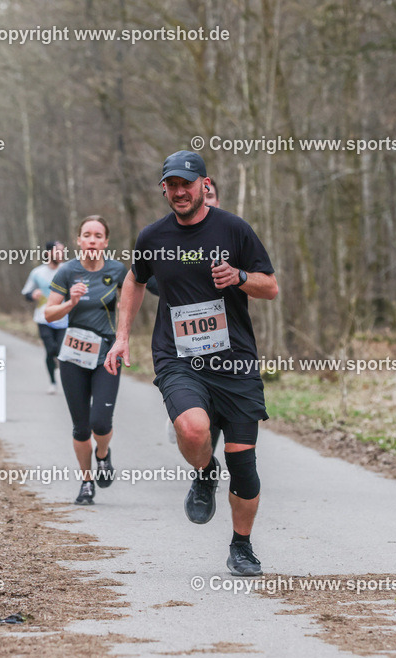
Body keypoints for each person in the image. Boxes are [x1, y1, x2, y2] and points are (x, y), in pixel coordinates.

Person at [105, 151, 278, 577]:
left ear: (204, 184)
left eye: (188, 183)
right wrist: (122, 336)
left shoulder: (234, 229)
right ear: (164, 188)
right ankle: (204, 471)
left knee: (245, 467)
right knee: (193, 428)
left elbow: (270, 286)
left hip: (234, 361)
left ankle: (241, 546)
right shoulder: (153, 237)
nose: (180, 192)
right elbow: (134, 279)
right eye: (172, 185)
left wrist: (239, 277)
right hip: (179, 357)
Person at [46, 217, 128, 505]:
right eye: (87, 235)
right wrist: (71, 302)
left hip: (106, 354)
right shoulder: (68, 271)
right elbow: (49, 314)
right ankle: (86, 482)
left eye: (98, 235)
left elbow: (137, 294)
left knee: (101, 422)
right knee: (81, 427)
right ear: (79, 241)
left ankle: (103, 454)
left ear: (105, 242)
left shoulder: (118, 270)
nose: (92, 240)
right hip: (74, 356)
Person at [149, 178, 222, 452]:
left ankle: (204, 465)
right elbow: (148, 279)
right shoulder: (168, 235)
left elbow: (253, 280)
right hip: (181, 339)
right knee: (192, 398)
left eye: (212, 195)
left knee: (215, 403)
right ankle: (182, 420)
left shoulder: (232, 233)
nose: (208, 199)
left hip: (223, 336)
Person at [22, 241, 69, 394]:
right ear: (48, 253)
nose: (61, 255)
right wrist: (32, 294)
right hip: (43, 318)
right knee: (50, 350)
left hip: (64, 318)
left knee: (61, 350)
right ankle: (53, 382)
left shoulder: (68, 270)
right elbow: (26, 293)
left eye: (63, 252)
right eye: (58, 252)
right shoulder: (37, 272)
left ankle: (61, 373)